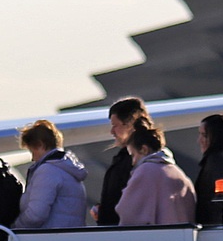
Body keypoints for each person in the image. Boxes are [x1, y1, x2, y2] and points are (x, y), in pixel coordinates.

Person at [113, 125, 195, 227]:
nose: (133, 162)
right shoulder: (179, 173)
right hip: (183, 239)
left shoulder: (145, 171)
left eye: (133, 155)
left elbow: (128, 212)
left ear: (144, 149)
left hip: (156, 239)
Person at [15, 120, 91, 229]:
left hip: (49, 239)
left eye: (32, 152)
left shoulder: (47, 171)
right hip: (71, 238)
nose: (32, 158)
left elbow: (35, 215)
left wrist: (15, 228)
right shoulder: (68, 169)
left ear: (40, 145)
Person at [95, 97, 153, 227]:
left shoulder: (140, 160)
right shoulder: (125, 158)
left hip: (125, 233)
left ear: (130, 124)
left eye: (115, 126)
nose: (112, 132)